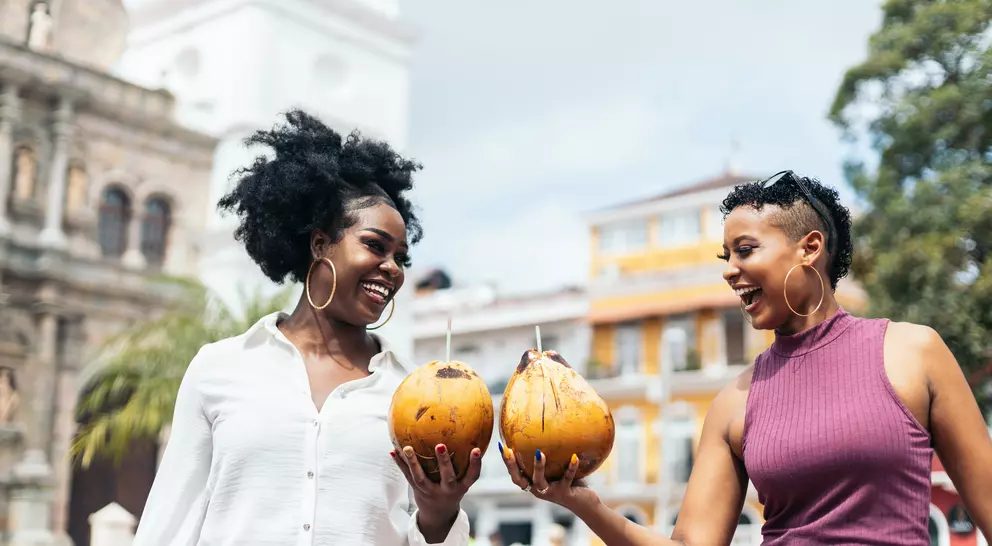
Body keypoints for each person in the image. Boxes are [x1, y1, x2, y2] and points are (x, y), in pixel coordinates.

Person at [499, 170, 992, 544]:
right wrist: (582, 503)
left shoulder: (914, 352)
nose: (731, 271)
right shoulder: (735, 401)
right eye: (726, 257)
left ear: (810, 248)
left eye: (746, 250)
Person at [133, 110, 479, 545]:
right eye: (375, 246)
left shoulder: (412, 393)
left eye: (401, 258)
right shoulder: (219, 368)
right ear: (320, 244)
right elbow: (170, 520)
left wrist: (440, 514)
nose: (392, 269)